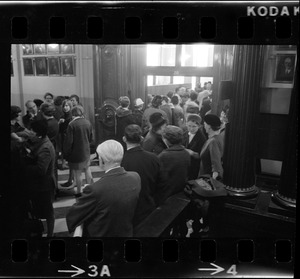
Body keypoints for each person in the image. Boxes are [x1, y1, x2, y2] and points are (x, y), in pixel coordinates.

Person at [66, 140, 141, 237]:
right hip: (127, 232)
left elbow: (73, 216)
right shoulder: (135, 177)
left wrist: (88, 193)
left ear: (101, 160)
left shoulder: (95, 190)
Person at [121, 124, 168, 226]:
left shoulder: (121, 161)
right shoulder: (154, 158)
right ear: (141, 138)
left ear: (124, 139)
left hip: (129, 210)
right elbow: (163, 184)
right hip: (150, 206)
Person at [23, 118, 56, 237]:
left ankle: (50, 235)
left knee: (48, 212)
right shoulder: (39, 141)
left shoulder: (45, 147)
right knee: (40, 210)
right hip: (39, 185)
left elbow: (41, 170)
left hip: (44, 186)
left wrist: (24, 167)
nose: (29, 132)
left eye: (31, 130)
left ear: (37, 133)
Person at [63, 105, 94, 197]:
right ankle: (90, 189)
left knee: (78, 173)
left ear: (73, 113)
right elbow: (90, 138)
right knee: (88, 169)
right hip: (86, 151)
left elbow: (69, 141)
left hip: (76, 153)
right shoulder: (88, 122)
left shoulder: (72, 124)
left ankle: (79, 192)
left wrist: (66, 153)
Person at [158, 125, 190, 199]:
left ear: (166, 140)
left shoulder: (163, 156)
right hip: (180, 192)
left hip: (166, 195)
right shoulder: (186, 153)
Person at [198, 114, 224, 180]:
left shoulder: (213, 141)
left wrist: (213, 184)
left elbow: (216, 166)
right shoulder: (218, 137)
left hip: (207, 180)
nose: (204, 126)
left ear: (209, 126)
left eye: (204, 124)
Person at [183, 114, 207, 180]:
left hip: (194, 166)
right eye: (189, 126)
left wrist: (192, 153)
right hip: (185, 164)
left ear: (199, 126)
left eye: (194, 126)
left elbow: (201, 156)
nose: (191, 128)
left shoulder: (202, 138)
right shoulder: (184, 134)